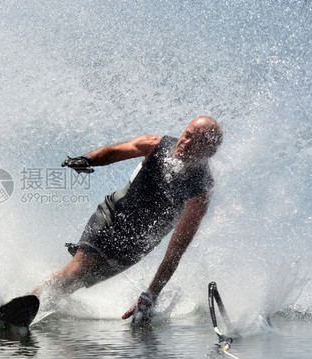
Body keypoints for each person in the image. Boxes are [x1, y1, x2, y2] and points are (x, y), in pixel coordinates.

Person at [32, 116, 223, 324]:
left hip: (135, 248)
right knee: (78, 269)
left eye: (200, 142)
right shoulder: (156, 145)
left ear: (210, 153)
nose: (187, 143)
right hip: (111, 217)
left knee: (77, 282)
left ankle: (32, 311)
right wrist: (88, 159)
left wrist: (151, 294)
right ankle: (28, 301)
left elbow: (176, 250)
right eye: (188, 135)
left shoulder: (200, 193)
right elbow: (114, 152)